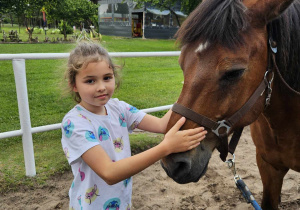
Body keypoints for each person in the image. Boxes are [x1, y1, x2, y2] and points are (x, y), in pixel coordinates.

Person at [61, 42, 207, 210]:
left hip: (122, 203)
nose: (101, 87)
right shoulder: (74, 123)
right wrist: (165, 147)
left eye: (107, 77)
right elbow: (109, 173)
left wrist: (187, 94)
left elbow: (161, 125)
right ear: (73, 85)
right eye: (90, 81)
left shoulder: (119, 108)